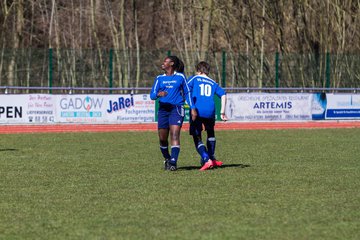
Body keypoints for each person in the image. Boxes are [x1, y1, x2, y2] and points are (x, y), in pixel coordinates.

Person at [150, 56, 194, 171]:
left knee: (174, 135)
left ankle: (173, 162)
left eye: (165, 61)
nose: (163, 63)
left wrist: (192, 107)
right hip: (163, 110)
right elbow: (152, 96)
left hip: (177, 108)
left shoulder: (180, 77)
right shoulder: (159, 78)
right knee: (162, 138)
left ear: (172, 63)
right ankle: (167, 158)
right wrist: (159, 94)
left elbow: (187, 92)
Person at [187, 61, 228, 171]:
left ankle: (206, 159)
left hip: (197, 110)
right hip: (210, 111)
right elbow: (223, 94)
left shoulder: (194, 78)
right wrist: (222, 112)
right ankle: (212, 157)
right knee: (211, 133)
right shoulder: (213, 82)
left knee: (197, 136)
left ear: (199, 71)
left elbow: (186, 89)